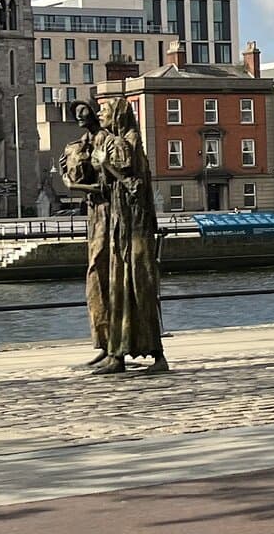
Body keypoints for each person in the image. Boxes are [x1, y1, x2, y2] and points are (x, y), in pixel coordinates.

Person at [90, 98, 168, 375]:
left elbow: (132, 183)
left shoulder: (130, 141)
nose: (99, 114)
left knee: (138, 289)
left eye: (105, 111)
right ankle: (117, 353)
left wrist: (106, 165)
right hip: (122, 227)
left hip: (135, 229)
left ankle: (154, 355)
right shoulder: (118, 139)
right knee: (119, 289)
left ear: (119, 115)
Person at [59, 100, 110, 366]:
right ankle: (103, 343)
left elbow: (106, 186)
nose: (79, 116)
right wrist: (67, 174)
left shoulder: (104, 140)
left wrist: (73, 184)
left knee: (99, 272)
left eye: (83, 112)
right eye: (75, 114)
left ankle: (112, 344)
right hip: (94, 214)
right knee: (95, 279)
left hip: (107, 213)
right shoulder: (81, 143)